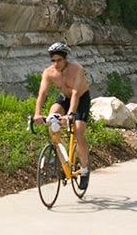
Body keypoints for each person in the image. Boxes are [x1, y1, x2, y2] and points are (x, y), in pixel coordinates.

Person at [32, 42, 92, 189]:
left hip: (81, 98)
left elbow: (76, 94)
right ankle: (61, 157)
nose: (56, 64)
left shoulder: (77, 69)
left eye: (59, 60)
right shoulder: (49, 72)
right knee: (52, 119)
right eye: (53, 60)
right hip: (64, 98)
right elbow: (42, 94)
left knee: (78, 132)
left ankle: (84, 170)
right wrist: (37, 113)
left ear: (65, 59)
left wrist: (71, 114)